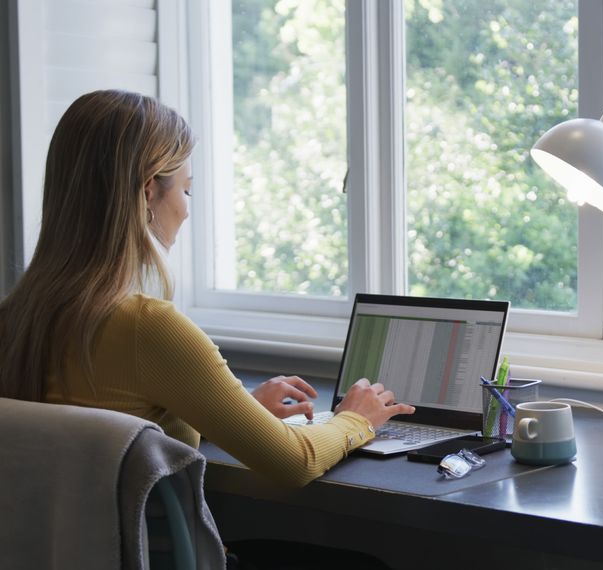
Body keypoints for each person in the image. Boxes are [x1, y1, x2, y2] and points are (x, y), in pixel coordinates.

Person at [0, 89, 414, 487]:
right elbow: (295, 461)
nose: (185, 209)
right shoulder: (147, 328)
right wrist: (356, 419)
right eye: (186, 189)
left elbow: (113, 435)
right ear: (147, 192)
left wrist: (238, 412)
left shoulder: (16, 318)